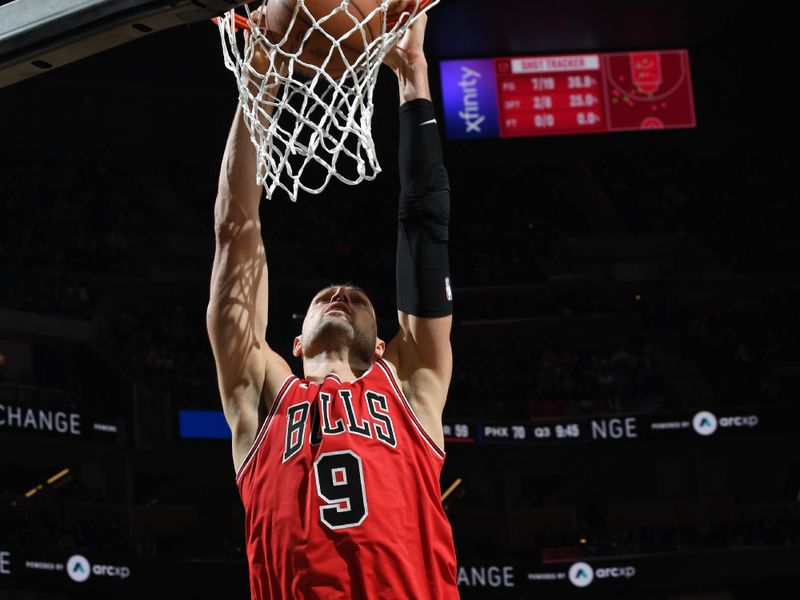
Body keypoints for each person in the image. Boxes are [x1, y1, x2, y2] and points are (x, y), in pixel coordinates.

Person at [206, 10, 458, 600]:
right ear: (292, 346)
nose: (341, 293)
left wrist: (413, 73)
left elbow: (426, 226)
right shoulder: (265, 393)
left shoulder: (413, 386)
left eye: (358, 300)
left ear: (382, 341)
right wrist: (260, 81)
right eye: (325, 298)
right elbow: (235, 230)